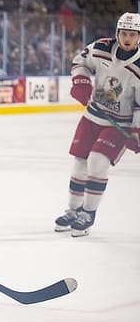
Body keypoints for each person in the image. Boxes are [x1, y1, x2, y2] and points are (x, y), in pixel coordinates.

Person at [54, 12, 140, 237]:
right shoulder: (101, 47)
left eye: (132, 34)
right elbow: (80, 61)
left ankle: (88, 213)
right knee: (80, 164)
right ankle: (73, 211)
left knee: (98, 162)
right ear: (117, 33)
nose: (128, 38)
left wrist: (137, 131)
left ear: (139, 36)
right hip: (92, 116)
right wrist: (81, 81)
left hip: (118, 123)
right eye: (124, 33)